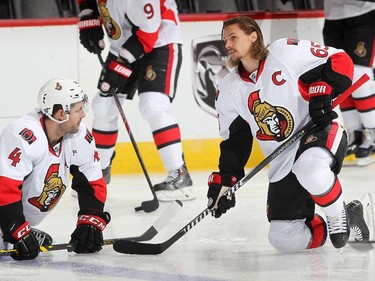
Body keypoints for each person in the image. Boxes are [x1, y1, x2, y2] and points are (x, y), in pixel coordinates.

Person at [206, 16, 373, 253]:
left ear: (253, 36)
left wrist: (323, 90)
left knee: (310, 170)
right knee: (284, 238)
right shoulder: (228, 88)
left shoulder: (284, 52)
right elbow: (236, 140)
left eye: (233, 37)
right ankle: (350, 212)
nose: (228, 44)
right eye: (225, 40)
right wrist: (226, 179)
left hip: (318, 132)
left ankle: (339, 221)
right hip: (282, 159)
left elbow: (340, 60)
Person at [76, 0, 195, 201]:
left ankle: (179, 173)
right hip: (122, 43)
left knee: (153, 105)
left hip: (159, 42)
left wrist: (119, 65)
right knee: (104, 106)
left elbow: (149, 32)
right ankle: (98, 172)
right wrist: (89, 16)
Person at [0, 78, 110, 260]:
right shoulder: (24, 135)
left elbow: (92, 180)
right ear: (61, 114)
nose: (83, 115)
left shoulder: (79, 136)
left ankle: (16, 233)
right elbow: (4, 186)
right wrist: (16, 227)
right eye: (78, 109)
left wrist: (91, 219)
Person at [323, 0, 375, 166]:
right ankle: (355, 135)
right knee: (340, 75)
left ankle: (372, 133)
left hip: (363, 13)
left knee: (360, 76)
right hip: (332, 15)